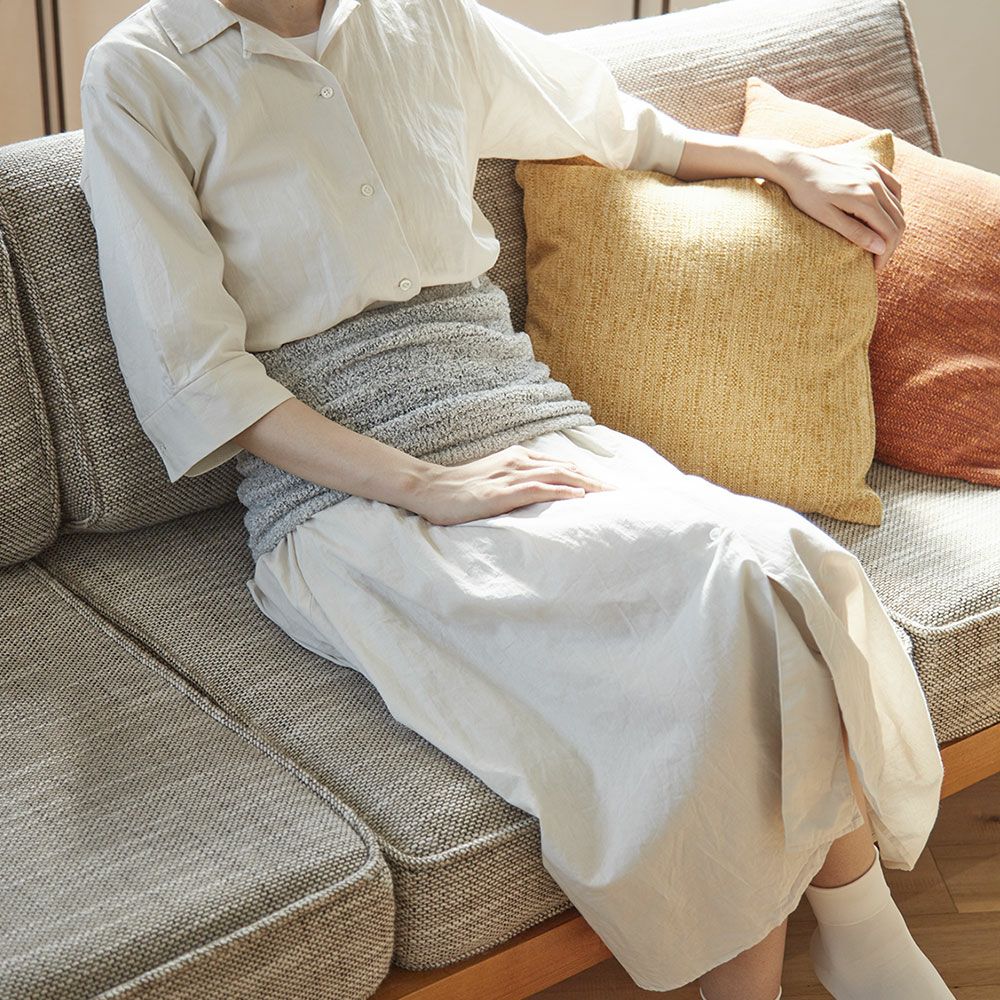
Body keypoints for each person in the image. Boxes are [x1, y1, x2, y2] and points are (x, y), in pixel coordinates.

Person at [77, 1, 952, 997]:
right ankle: (856, 930)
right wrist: (427, 486)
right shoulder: (140, 74)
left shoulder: (420, 17)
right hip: (350, 498)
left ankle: (852, 929)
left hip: (528, 424)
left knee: (765, 566)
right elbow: (192, 375)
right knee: (725, 608)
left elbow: (607, 121)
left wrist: (778, 162)